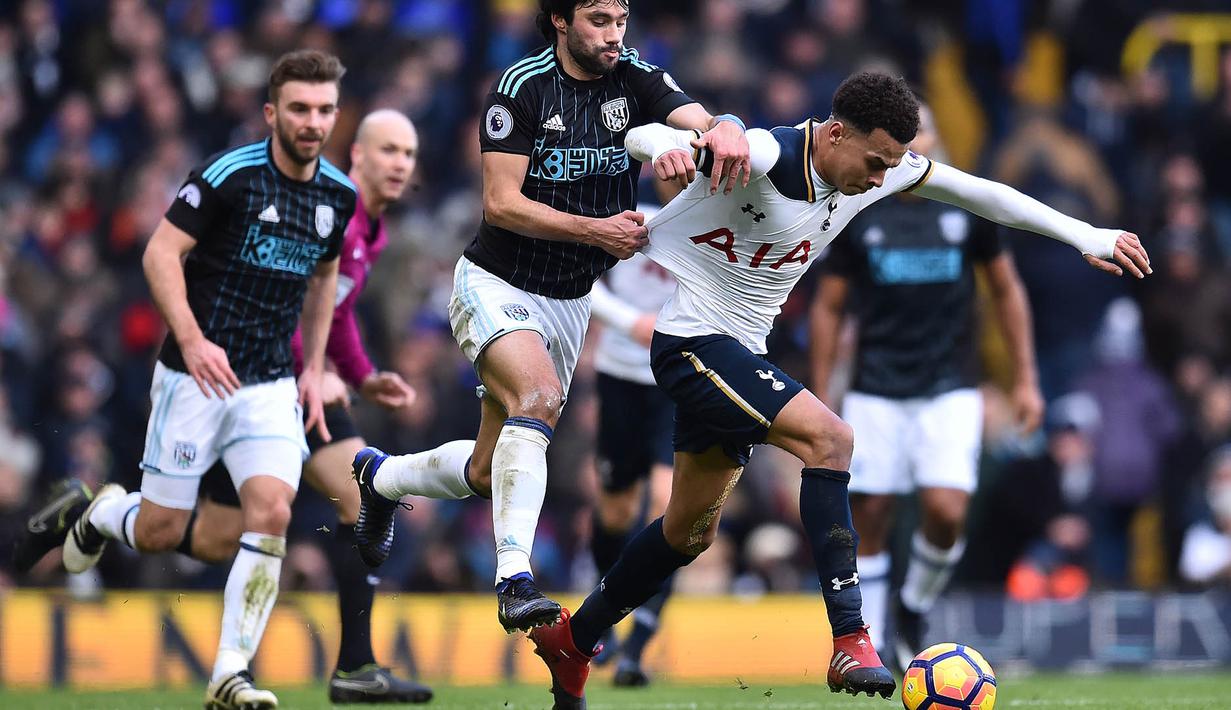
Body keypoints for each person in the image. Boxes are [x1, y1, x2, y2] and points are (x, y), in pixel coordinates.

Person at [524, 72, 1150, 709]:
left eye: (892, 166)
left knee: (687, 534)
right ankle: (851, 636)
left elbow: (983, 195)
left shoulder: (884, 165)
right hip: (690, 342)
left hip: (740, 351)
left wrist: (1087, 236)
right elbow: (642, 132)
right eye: (875, 162)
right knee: (832, 438)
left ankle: (574, 640)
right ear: (835, 133)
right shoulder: (766, 155)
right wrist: (670, 146)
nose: (880, 180)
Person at [348, 0, 751, 635]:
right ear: (560, 20)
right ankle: (515, 578)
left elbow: (699, 117)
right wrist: (597, 231)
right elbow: (501, 204)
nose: (613, 34)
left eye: (620, 20)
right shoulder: (521, 88)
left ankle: (382, 478)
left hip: (570, 303)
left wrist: (723, 127)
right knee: (536, 399)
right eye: (598, 20)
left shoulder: (635, 77)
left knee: (488, 471)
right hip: (496, 282)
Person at [15, 50, 356, 710]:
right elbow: (159, 253)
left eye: (322, 110)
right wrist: (194, 341)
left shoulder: (336, 196)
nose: (311, 122)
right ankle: (102, 513)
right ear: (271, 113)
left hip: (266, 386)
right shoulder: (230, 176)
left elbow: (324, 282)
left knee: (268, 514)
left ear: (334, 115)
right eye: (298, 109)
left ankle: (229, 675)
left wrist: (312, 368)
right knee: (165, 533)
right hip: (193, 377)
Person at [187, 110, 431, 704]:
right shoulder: (335, 215)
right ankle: (104, 517)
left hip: (294, 382)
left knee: (356, 496)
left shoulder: (370, 229)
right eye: (389, 150)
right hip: (264, 377)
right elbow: (287, 298)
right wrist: (313, 369)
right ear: (360, 156)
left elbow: (336, 313)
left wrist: (364, 376)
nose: (401, 163)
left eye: (409, 153)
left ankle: (355, 666)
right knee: (211, 534)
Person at [809, 103, 1044, 670]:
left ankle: (913, 605)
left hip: (950, 384)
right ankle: (880, 638)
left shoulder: (968, 208)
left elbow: (1006, 291)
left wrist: (1026, 380)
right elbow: (830, 306)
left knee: (945, 511)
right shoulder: (858, 208)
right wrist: (820, 398)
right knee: (871, 514)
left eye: (923, 139)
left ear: (934, 145)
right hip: (875, 386)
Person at [587, 237, 678, 686]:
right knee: (616, 511)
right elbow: (582, 275)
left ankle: (637, 648)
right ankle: (604, 614)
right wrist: (629, 321)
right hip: (620, 374)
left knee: (671, 505)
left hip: (680, 375)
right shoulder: (624, 200)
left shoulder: (722, 198)